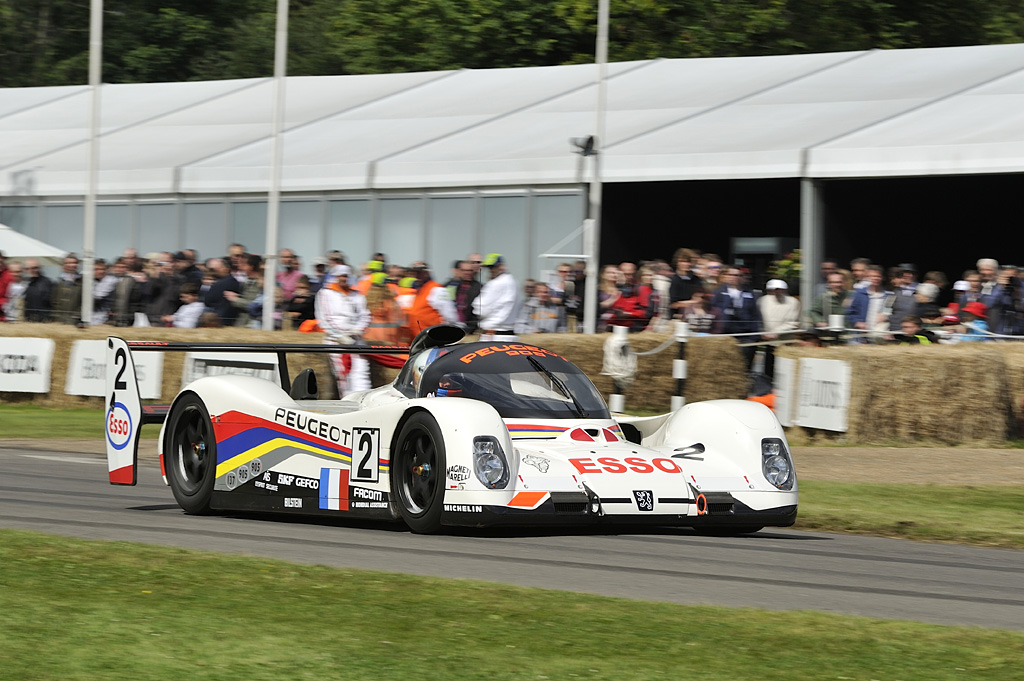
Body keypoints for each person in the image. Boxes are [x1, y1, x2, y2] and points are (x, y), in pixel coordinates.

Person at [316, 264, 372, 396]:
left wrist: (357, 330)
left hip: (356, 339)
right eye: (341, 276)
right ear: (335, 277)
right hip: (336, 341)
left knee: (362, 371)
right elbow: (323, 319)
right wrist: (340, 335)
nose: (344, 279)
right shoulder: (325, 293)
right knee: (344, 375)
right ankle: (348, 402)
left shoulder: (357, 295)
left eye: (346, 276)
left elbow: (365, 315)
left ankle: (363, 401)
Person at [757, 279, 801, 377]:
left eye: (780, 289)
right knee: (768, 366)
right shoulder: (763, 300)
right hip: (767, 340)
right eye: (774, 289)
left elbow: (793, 322)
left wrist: (777, 332)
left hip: (785, 341)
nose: (777, 292)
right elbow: (758, 317)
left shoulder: (793, 302)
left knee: (784, 366)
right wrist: (761, 331)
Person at [403, 262, 457, 338]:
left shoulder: (437, 290)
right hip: (418, 339)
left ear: (426, 273)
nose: (417, 276)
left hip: (432, 339)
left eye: (420, 273)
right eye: (415, 273)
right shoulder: (418, 291)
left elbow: (450, 317)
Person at [473, 253, 519, 341]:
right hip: (510, 335)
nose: (491, 270)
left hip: (493, 335)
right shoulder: (514, 282)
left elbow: (481, 309)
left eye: (493, 267)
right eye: (489, 267)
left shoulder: (495, 283)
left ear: (501, 266)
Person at [848, 264, 889, 342]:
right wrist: (857, 322)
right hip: (862, 336)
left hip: (880, 336)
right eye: (872, 276)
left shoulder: (888, 296)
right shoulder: (860, 294)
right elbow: (850, 312)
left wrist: (887, 318)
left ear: (882, 278)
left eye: (878, 276)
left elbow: (891, 313)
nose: (875, 278)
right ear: (867, 278)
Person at [203, 258, 241, 326]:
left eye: (216, 269)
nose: (214, 272)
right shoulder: (233, 281)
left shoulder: (222, 283)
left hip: (219, 318)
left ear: (226, 268)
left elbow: (208, 300)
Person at [448, 260, 482, 333]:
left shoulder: (480, 288)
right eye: (464, 270)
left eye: (470, 270)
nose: (467, 273)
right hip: (453, 328)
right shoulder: (452, 286)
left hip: (471, 329)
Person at [51, 253, 83, 325]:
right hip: (60, 321)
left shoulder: (82, 282)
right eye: (68, 263)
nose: (71, 265)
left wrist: (77, 316)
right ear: (64, 265)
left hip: (76, 321)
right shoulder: (59, 283)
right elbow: (54, 302)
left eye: (74, 263)